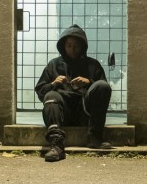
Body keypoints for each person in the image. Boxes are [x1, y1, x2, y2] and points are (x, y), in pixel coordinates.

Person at [35, 25, 113, 162]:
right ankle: (56, 145)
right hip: (62, 113)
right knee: (51, 96)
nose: (72, 49)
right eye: (69, 45)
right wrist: (53, 84)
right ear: (63, 46)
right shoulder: (53, 64)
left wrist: (88, 82)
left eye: (76, 46)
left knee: (102, 85)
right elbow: (40, 91)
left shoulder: (93, 65)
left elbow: (104, 90)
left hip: (85, 113)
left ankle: (95, 137)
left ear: (82, 46)